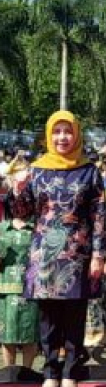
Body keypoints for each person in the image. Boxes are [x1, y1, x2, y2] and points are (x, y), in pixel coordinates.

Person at [9, 110, 106, 387]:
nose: (62, 137)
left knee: (74, 316)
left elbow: (99, 216)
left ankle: (71, 373)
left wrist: (99, 255)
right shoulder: (37, 170)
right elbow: (22, 212)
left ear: (76, 134)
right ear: (49, 135)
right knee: (47, 317)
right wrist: (18, 189)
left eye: (67, 131)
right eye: (57, 132)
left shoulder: (89, 171)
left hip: (78, 253)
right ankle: (51, 371)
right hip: (44, 254)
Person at [0, 158, 38, 369]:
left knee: (30, 330)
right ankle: (9, 372)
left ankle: (28, 371)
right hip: (5, 286)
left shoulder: (37, 228)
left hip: (32, 284)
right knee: (8, 331)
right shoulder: (2, 228)